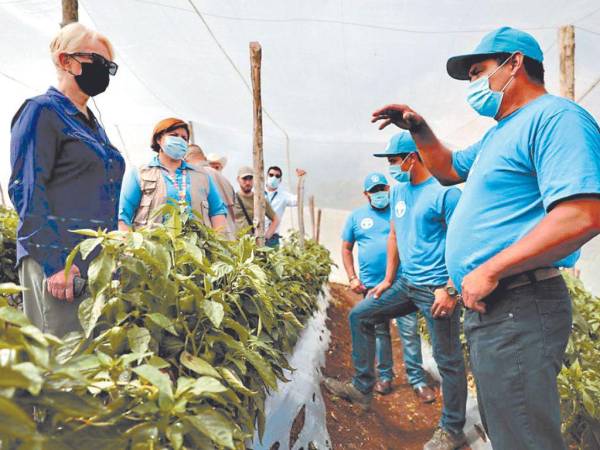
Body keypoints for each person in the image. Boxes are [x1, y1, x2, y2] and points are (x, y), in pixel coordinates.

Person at [372, 27, 600, 450]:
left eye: (479, 72)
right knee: (508, 429)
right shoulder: (498, 134)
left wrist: (491, 268)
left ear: (515, 63)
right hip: (494, 307)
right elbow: (447, 169)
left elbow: (583, 215)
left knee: (525, 438)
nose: (474, 85)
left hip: (519, 304)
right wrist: (418, 127)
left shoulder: (556, 118)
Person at [324, 132, 468, 450]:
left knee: (448, 360)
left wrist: (451, 289)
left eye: (392, 160)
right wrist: (389, 279)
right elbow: (393, 235)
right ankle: (363, 387)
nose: (391, 167)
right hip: (407, 284)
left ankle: (453, 429)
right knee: (361, 314)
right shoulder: (401, 191)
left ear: (411, 157)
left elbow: (465, 243)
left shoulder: (446, 194)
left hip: (436, 289)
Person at [8, 23, 125, 337]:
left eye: (108, 67)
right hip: (59, 263)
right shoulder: (42, 112)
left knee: (92, 368)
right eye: (97, 62)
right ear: (65, 61)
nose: (103, 72)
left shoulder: (91, 124)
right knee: (62, 365)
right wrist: (56, 262)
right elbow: (26, 191)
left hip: (93, 264)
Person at [341, 172, 435, 402]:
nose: (379, 193)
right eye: (374, 190)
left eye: (382, 188)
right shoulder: (356, 217)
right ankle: (385, 376)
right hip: (372, 286)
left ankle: (417, 379)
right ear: (366, 195)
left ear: (388, 189)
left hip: (404, 285)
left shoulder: (400, 211)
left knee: (409, 331)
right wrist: (352, 277)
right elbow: (346, 248)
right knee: (380, 332)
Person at [118, 118, 228, 233]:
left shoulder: (202, 176)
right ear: (159, 139)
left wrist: (217, 243)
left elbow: (217, 211)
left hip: (196, 248)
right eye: (174, 135)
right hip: (153, 248)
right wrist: (131, 246)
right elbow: (123, 215)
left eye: (184, 138)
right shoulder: (140, 174)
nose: (179, 140)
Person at [186, 144, 236, 236]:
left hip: (214, 240)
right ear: (204, 158)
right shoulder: (225, 180)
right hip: (231, 237)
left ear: (185, 159)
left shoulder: (195, 176)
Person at [233, 166, 280, 241]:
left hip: (254, 245)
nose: (248, 182)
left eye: (250, 179)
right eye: (244, 179)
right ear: (238, 179)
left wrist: (266, 237)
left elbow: (276, 219)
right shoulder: (232, 198)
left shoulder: (260, 199)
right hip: (237, 246)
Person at [264, 165, 306, 247]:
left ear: (280, 180)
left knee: (273, 259)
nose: (274, 178)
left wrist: (301, 180)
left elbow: (298, 200)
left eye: (277, 176)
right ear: (266, 176)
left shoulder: (283, 195)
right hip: (256, 235)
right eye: (271, 175)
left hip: (272, 237)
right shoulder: (257, 192)